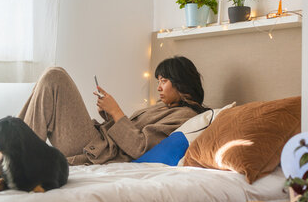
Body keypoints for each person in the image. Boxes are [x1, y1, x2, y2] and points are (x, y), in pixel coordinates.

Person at [16, 56, 207, 165]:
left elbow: (139, 148)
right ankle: (13, 147)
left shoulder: (185, 116)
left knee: (55, 76)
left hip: (97, 148)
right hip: (98, 138)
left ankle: (16, 152)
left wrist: (116, 112)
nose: (158, 88)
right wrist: (109, 113)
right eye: (158, 81)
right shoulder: (164, 107)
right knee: (50, 79)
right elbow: (131, 130)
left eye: (163, 81)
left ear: (182, 84)